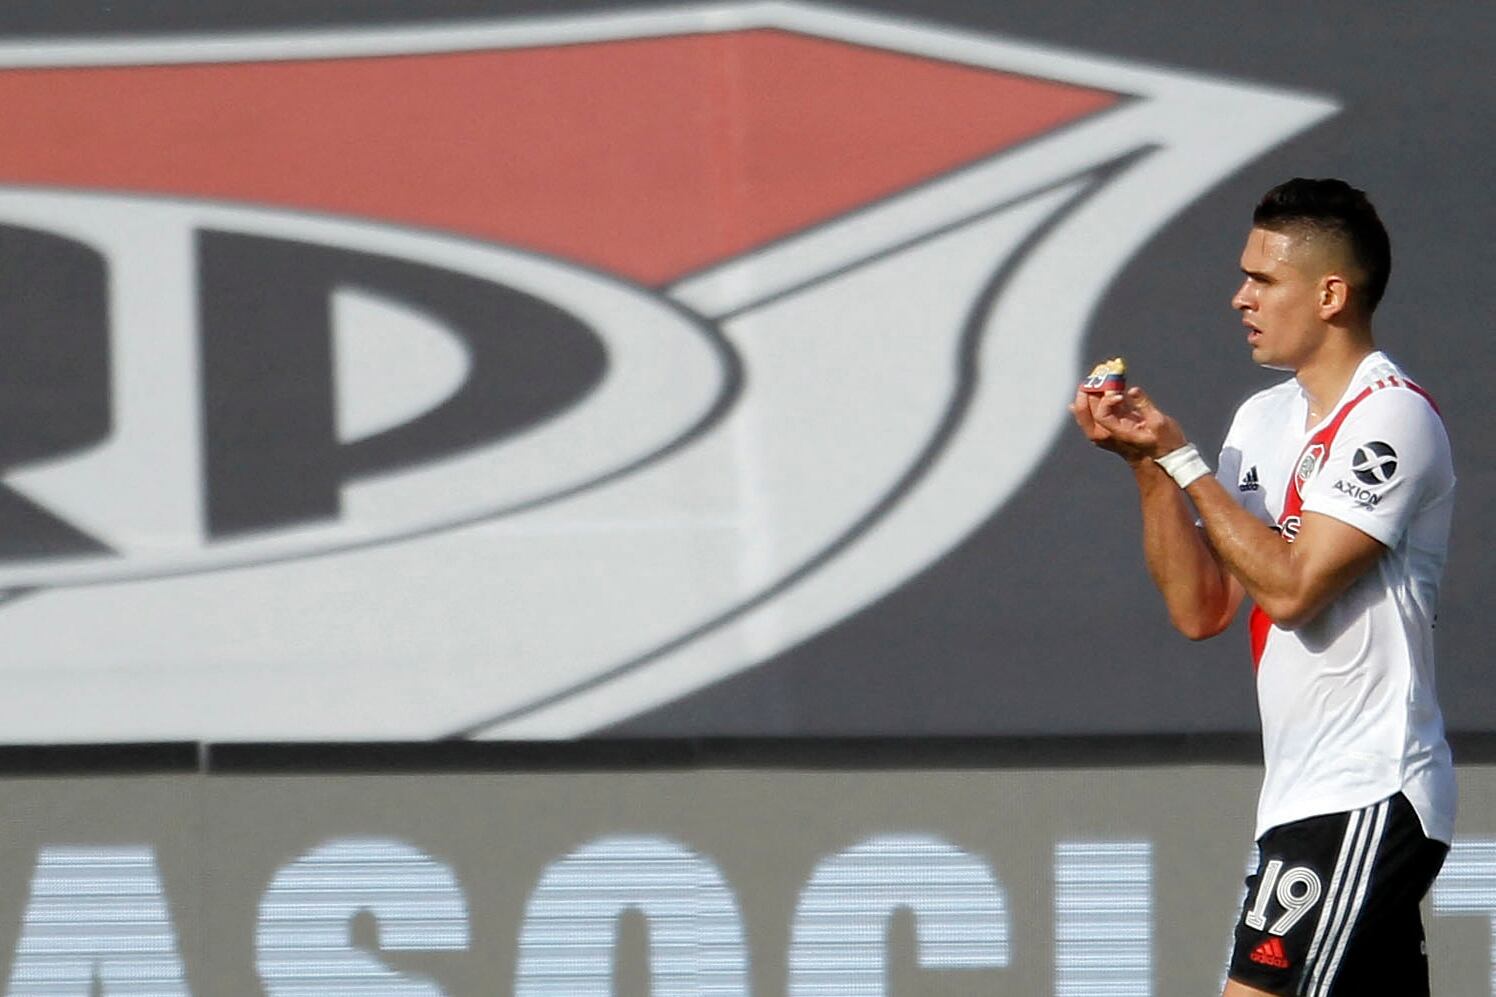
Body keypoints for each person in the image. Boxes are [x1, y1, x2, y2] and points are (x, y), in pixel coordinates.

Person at [1070, 177, 1455, 996]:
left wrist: (1184, 460)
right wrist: (1149, 469)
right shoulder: (1263, 420)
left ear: (1330, 294)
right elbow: (1202, 606)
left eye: (1262, 279)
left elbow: (1290, 590)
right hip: (1303, 792)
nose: (1239, 297)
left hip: (1367, 788)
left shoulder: (1391, 417)